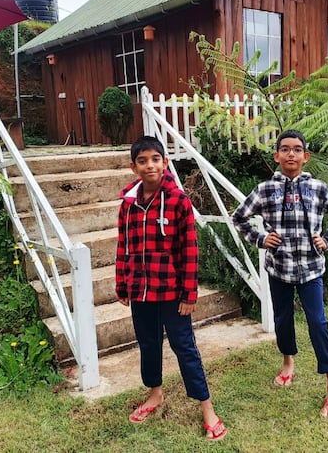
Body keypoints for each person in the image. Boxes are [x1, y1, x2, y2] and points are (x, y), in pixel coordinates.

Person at [232, 129, 328, 418]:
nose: (291, 154)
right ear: (276, 156)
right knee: (283, 320)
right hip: (279, 270)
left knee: (318, 323)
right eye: (285, 149)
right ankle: (288, 362)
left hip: (311, 271)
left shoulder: (318, 189)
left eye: (297, 149)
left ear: (305, 156)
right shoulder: (264, 190)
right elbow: (239, 217)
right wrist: (261, 239)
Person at [115, 135, 227, 441]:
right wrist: (122, 284)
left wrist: (189, 293)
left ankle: (207, 408)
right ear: (134, 167)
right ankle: (155, 393)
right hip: (141, 291)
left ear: (165, 163)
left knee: (184, 347)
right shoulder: (128, 205)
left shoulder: (178, 201)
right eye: (142, 161)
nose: (149, 166)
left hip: (173, 293)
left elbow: (189, 250)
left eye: (155, 159)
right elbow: (123, 246)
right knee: (148, 344)